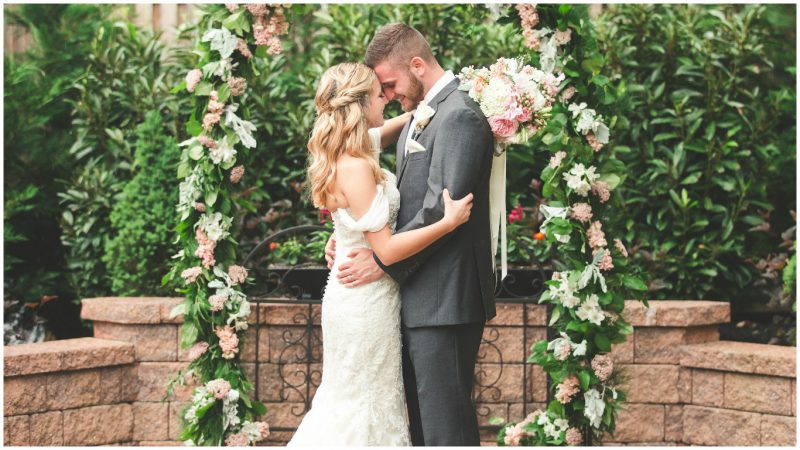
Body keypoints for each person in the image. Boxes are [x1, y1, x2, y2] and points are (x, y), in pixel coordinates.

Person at [288, 61, 475, 446]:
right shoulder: (355, 165)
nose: (385, 98)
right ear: (359, 104)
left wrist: (431, 104)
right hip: (362, 303)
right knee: (361, 405)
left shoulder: (353, 148)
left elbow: (405, 125)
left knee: (371, 402)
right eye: (378, 94)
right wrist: (447, 223)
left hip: (365, 292)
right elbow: (386, 249)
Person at [328, 23, 497, 446]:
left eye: (390, 85)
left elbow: (443, 208)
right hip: (418, 297)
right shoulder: (421, 116)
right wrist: (355, 236)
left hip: (446, 299)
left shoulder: (458, 116)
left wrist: (381, 258)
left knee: (445, 430)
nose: (387, 96)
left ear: (417, 65)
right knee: (422, 427)